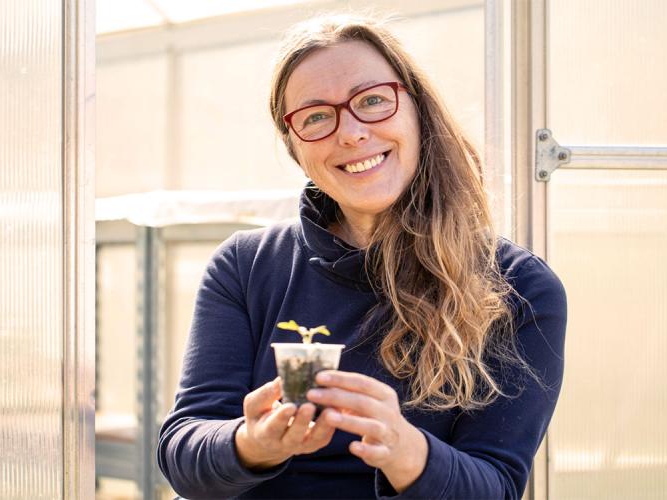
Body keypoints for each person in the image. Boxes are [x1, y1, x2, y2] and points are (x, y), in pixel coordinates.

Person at [158, 13, 566, 499]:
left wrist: (406, 450)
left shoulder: (517, 288)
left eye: (372, 100)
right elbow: (183, 454)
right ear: (294, 147)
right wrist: (250, 443)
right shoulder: (247, 267)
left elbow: (496, 487)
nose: (350, 133)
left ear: (417, 111)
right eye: (315, 116)